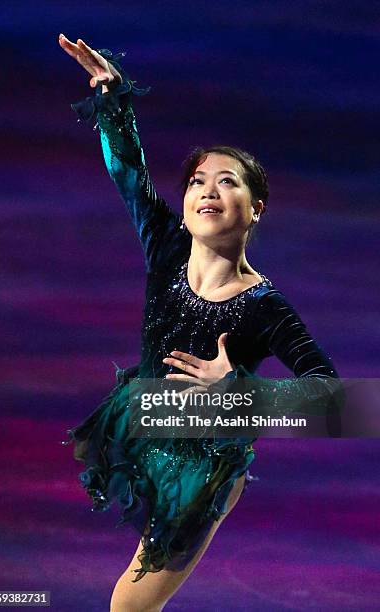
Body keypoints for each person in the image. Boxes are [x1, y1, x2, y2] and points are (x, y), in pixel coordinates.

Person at [59, 35, 340, 611]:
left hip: (202, 466)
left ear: (256, 207)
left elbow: (332, 398)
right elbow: (130, 173)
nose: (208, 189)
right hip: (143, 426)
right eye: (196, 181)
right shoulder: (165, 247)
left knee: (128, 605)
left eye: (228, 180)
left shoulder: (265, 306)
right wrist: (112, 97)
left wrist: (234, 392)